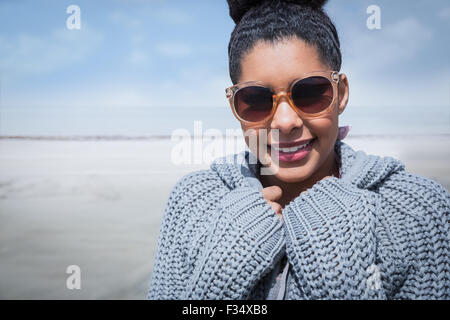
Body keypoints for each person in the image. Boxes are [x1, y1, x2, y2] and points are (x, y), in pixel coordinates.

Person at [147, 0, 449, 299]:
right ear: (234, 106)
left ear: (340, 93)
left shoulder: (419, 213)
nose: (285, 122)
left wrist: (337, 273)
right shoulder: (194, 203)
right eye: (255, 99)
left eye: (310, 93)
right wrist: (219, 276)